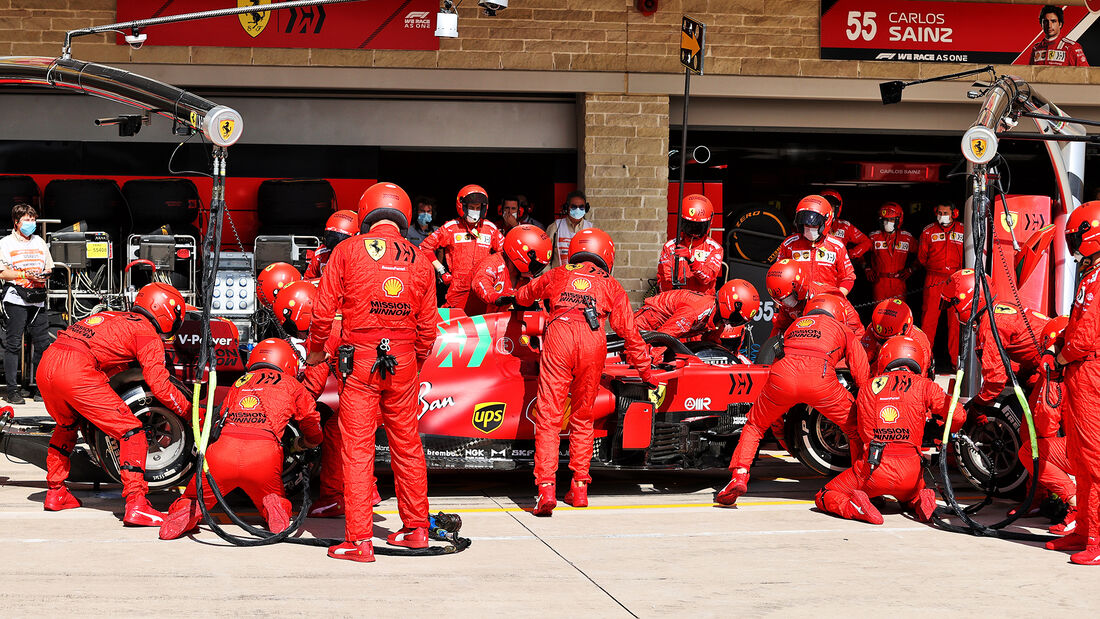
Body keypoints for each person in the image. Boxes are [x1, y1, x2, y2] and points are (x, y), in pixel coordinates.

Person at [306, 182, 437, 563]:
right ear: (405, 215)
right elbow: (429, 329)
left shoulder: (347, 250)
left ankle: (359, 540)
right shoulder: (421, 259)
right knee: (407, 445)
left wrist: (315, 352)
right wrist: (414, 362)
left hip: (359, 359)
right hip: (404, 361)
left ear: (365, 213)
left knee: (358, 449)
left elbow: (322, 312)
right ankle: (417, 529)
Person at [515, 228, 658, 516]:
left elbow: (524, 296)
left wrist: (518, 293)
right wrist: (646, 373)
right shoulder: (611, 284)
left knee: (549, 416)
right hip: (593, 341)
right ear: (606, 254)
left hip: (559, 335)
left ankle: (546, 488)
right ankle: (580, 487)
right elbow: (629, 333)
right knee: (583, 416)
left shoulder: (558, 273)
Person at [36, 282, 191, 526]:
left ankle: (56, 492)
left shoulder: (113, 316)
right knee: (132, 432)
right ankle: (137, 504)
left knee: (66, 425)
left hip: (48, 363)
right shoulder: (147, 333)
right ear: (167, 311)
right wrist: (190, 412)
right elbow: (160, 386)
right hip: (76, 370)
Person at [158, 339, 323, 540]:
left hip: (222, 453)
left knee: (194, 498)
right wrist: (305, 444)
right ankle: (275, 508)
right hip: (263, 457)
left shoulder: (240, 382)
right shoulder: (293, 385)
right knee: (273, 497)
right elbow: (312, 425)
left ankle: (186, 512)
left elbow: (219, 418)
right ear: (288, 362)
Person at [717, 293, 870, 506]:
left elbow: (776, 359)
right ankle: (860, 482)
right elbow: (861, 373)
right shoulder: (843, 330)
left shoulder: (794, 326)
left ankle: (739, 476)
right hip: (820, 381)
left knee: (755, 425)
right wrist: (864, 402)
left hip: (782, 379)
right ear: (838, 313)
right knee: (855, 427)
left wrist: (779, 427)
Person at [814, 335, 963, 525]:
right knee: (910, 495)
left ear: (885, 358)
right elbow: (958, 415)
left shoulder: (867, 387)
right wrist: (943, 434)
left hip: (873, 470)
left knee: (825, 494)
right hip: (910, 475)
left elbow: (858, 434)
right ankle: (920, 501)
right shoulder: (925, 386)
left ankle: (856, 507)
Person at [1048, 200, 1100, 563]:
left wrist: (1061, 356)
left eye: (1075, 236)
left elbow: (1086, 336)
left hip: (1091, 371)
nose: (1072, 243)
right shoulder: (1090, 272)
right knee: (1080, 457)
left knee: (1094, 459)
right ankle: (1083, 529)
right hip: (1080, 373)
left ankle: (1096, 539)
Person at [940, 269, 1048, 409]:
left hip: (1053, 366)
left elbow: (995, 380)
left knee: (1027, 415)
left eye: (954, 305)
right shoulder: (997, 311)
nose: (954, 311)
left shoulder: (990, 325)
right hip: (1045, 363)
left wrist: (978, 404)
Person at [1017, 315, 1077, 536]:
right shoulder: (1088, 366)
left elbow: (1045, 427)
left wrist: (1048, 378)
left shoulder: (1056, 377)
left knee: (1031, 451)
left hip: (1085, 451)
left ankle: (1076, 504)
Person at [420, 184, 505, 315]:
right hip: (458, 288)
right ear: (462, 207)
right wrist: (441, 270)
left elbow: (504, 253)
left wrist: (496, 278)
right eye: (471, 207)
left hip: (484, 288)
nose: (474, 211)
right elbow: (425, 247)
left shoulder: (490, 228)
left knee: (483, 325)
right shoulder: (451, 227)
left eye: (478, 208)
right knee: (452, 323)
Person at [0, 203, 53, 404]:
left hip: (37, 297)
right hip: (15, 297)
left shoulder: (39, 241)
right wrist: (24, 275)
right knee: (13, 344)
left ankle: (39, 388)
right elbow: (3, 273)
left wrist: (44, 274)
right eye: (27, 220)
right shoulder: (5, 243)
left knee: (43, 344)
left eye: (33, 219)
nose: (31, 223)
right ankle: (12, 390)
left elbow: (49, 267)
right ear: (16, 222)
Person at [634, 279, 760, 345]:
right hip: (647, 323)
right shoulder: (696, 311)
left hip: (662, 332)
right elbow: (663, 338)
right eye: (737, 319)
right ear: (730, 305)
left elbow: (711, 344)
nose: (735, 324)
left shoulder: (717, 318)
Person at [775, 194, 856, 295]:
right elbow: (778, 276)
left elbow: (848, 278)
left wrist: (837, 297)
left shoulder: (837, 246)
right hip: (797, 301)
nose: (810, 228)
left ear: (825, 222)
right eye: (806, 224)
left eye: (814, 225)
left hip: (827, 300)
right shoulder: (789, 244)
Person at [766, 259, 864, 339]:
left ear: (798, 287)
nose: (785, 303)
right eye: (781, 300)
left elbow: (853, 329)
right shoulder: (786, 302)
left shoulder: (826, 297)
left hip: (847, 337)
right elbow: (780, 328)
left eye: (787, 298)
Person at [918, 202, 964, 368]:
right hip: (934, 278)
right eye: (939, 212)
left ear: (954, 213)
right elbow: (922, 258)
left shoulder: (963, 230)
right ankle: (924, 360)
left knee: (955, 323)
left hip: (956, 279)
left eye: (945, 213)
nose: (941, 216)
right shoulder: (928, 231)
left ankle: (955, 362)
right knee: (928, 321)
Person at [471, 224, 553, 310]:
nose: (534, 273)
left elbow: (540, 308)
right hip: (480, 316)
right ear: (521, 255)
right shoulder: (492, 264)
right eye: (535, 266)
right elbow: (480, 282)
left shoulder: (528, 279)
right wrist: (495, 297)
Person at [656, 194, 724, 294]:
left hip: (702, 300)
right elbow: (664, 280)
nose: (694, 232)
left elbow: (708, 278)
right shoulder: (670, 247)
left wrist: (691, 259)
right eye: (690, 226)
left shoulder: (714, 248)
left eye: (699, 227)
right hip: (677, 298)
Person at [860, 298, 931, 372]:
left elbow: (919, 377)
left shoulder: (920, 345)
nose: (884, 343)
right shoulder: (875, 327)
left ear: (905, 329)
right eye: (881, 340)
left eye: (888, 340)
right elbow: (862, 361)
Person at [865, 202, 917, 303]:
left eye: (891, 220)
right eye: (885, 220)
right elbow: (858, 252)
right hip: (880, 282)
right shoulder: (874, 237)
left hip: (899, 282)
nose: (888, 223)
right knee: (879, 310)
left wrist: (912, 269)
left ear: (899, 220)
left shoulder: (907, 238)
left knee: (899, 310)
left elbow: (923, 254)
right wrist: (866, 268)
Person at [821, 190, 871, 265]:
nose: (828, 208)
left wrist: (850, 254)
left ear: (837, 208)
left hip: (838, 268)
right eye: (825, 205)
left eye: (831, 205)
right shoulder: (811, 224)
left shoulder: (844, 226)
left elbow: (866, 242)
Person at [304, 210, 357, 279]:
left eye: (339, 239)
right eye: (331, 237)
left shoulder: (359, 258)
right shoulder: (320, 253)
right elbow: (308, 279)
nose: (334, 244)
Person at [548, 190, 594, 268]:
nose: (577, 210)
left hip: (582, 275)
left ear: (586, 208)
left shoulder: (591, 229)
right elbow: (545, 255)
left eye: (581, 207)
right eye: (574, 207)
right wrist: (548, 273)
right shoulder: (555, 227)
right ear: (567, 207)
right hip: (559, 275)